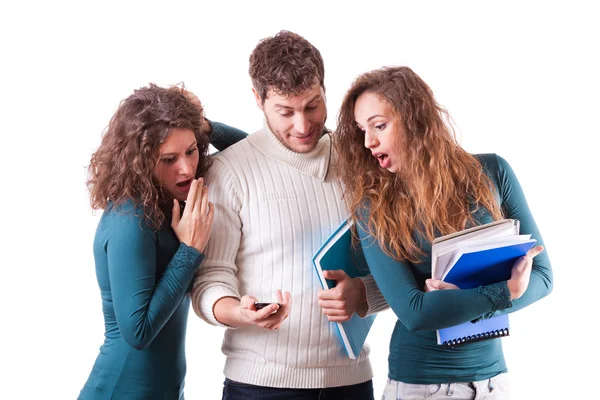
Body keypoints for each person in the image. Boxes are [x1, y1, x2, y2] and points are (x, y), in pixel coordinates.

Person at [334, 66, 553, 399]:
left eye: (379, 125)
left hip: (493, 381)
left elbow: (544, 277)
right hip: (421, 384)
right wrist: (507, 290)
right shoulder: (373, 206)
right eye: (362, 129)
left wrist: (462, 300)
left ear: (415, 117)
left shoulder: (493, 172)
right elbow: (416, 312)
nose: (368, 141)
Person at [191, 31, 387, 400]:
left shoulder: (363, 162)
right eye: (286, 111)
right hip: (260, 385)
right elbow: (209, 279)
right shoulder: (229, 172)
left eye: (312, 106)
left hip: (352, 382)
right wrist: (237, 311)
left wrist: (365, 293)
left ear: (326, 90)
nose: (302, 125)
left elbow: (402, 265)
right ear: (258, 101)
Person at [79, 84, 246, 399]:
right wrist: (190, 250)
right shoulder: (131, 218)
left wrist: (204, 127)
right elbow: (138, 332)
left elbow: (254, 154)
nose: (186, 167)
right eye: (169, 158)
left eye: (192, 150)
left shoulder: (171, 198)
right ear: (140, 161)